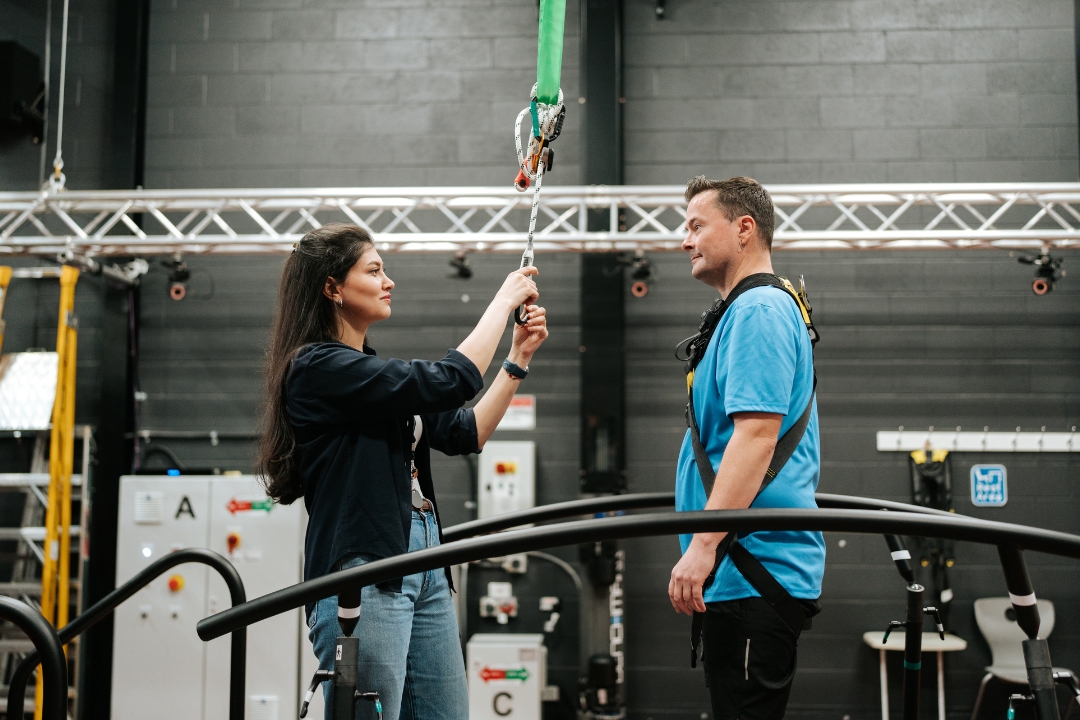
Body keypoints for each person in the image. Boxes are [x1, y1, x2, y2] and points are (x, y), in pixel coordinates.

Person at [258, 223, 549, 720]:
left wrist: (517, 358)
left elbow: (465, 433)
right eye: (374, 270)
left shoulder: (369, 374)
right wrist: (501, 304)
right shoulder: (317, 369)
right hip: (367, 568)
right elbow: (454, 379)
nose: (389, 281)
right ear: (332, 288)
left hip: (427, 559)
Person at [668, 177, 825, 720]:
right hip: (740, 568)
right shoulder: (742, 311)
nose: (684, 240)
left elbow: (756, 437)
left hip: (754, 565)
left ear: (743, 229)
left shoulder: (759, 308)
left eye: (695, 225)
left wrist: (704, 547)